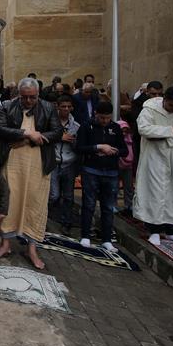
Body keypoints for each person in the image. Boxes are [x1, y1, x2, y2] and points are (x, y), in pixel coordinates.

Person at [0, 78, 64, 269]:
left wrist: (35, 138)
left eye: (32, 97)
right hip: (13, 162)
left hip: (39, 164)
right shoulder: (8, 106)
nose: (28, 101)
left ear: (38, 94)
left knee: (35, 203)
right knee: (10, 201)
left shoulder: (48, 107)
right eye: (25, 97)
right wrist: (26, 133)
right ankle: (5, 243)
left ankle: (31, 248)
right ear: (19, 94)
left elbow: (57, 132)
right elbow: (0, 128)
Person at [133, 86, 173, 246]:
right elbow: (144, 129)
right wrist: (172, 130)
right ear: (164, 99)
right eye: (171, 106)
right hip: (154, 156)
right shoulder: (149, 109)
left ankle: (172, 230)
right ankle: (154, 230)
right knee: (155, 190)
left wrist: (161, 137)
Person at [75, 102, 127, 251]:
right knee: (89, 204)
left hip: (111, 172)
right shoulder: (86, 126)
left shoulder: (115, 128)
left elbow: (124, 150)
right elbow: (79, 148)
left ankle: (107, 239)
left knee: (108, 206)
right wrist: (97, 147)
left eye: (107, 118)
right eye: (102, 118)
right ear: (96, 114)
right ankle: (85, 235)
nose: (104, 121)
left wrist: (113, 151)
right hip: (91, 170)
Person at [49, 94, 80, 232]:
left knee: (68, 196)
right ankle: (47, 218)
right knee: (54, 195)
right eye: (63, 107)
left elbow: (79, 146)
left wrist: (74, 142)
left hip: (69, 163)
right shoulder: (51, 122)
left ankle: (66, 222)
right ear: (58, 107)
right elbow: (45, 137)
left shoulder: (76, 126)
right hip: (54, 162)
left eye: (68, 107)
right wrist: (59, 137)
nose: (66, 109)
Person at [117, 120, 135, 215]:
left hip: (128, 166)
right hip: (116, 166)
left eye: (125, 131)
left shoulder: (130, 140)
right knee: (114, 187)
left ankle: (129, 205)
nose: (124, 133)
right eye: (121, 131)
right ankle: (113, 205)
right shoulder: (115, 140)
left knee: (128, 187)